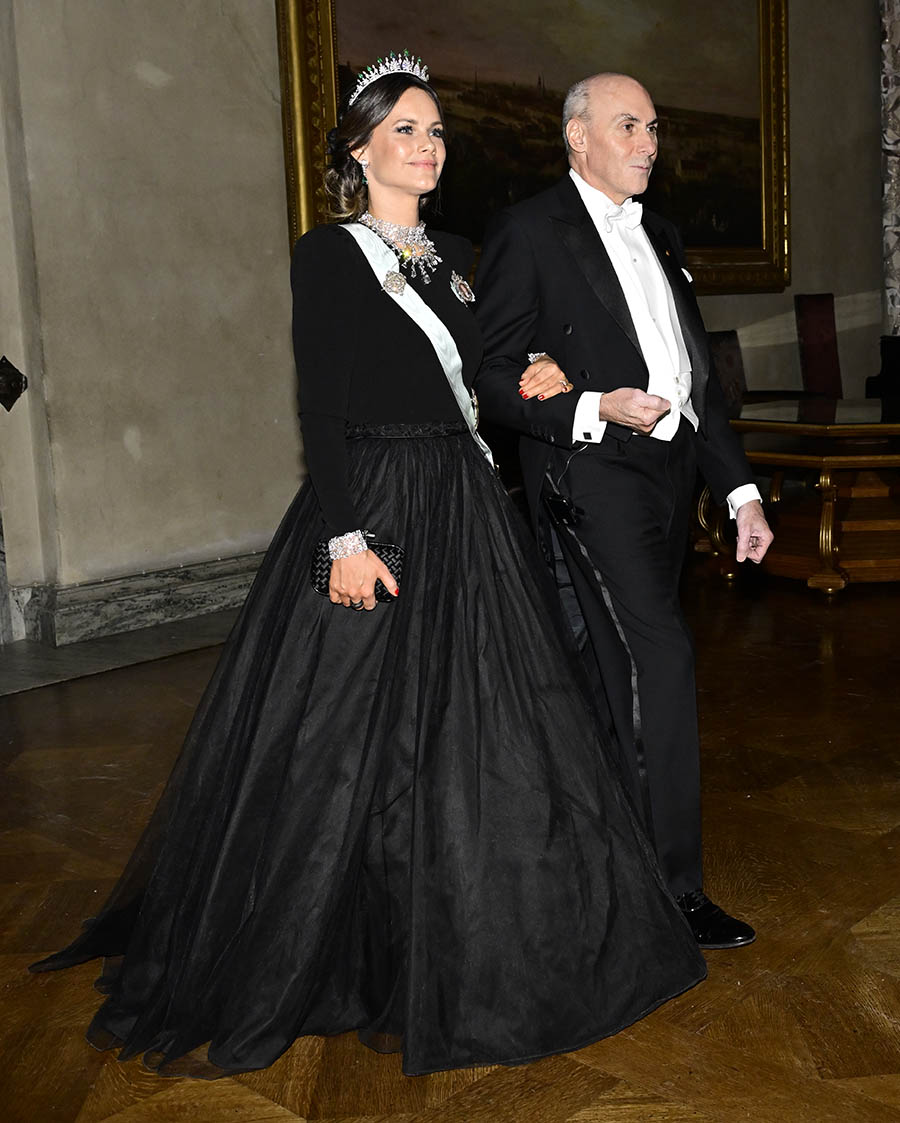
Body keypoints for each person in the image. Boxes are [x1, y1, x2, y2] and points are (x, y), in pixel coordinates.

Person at [30, 56, 706, 1079]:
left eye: (436, 133)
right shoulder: (330, 256)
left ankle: (460, 929)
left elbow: (491, 379)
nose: (428, 148)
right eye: (406, 131)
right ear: (358, 149)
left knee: (479, 727)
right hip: (378, 504)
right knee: (342, 736)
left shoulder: (461, 257)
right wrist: (345, 538)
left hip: (468, 508)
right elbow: (325, 409)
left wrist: (541, 375)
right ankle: (319, 930)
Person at [474, 72, 774, 950]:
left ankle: (583, 864)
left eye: (653, 125)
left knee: (597, 674)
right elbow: (492, 378)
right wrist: (591, 405)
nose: (648, 142)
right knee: (659, 657)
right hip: (590, 471)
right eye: (628, 125)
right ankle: (674, 892)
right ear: (578, 137)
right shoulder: (529, 230)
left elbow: (697, 382)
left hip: (670, 480)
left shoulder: (662, 233)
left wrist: (742, 489)